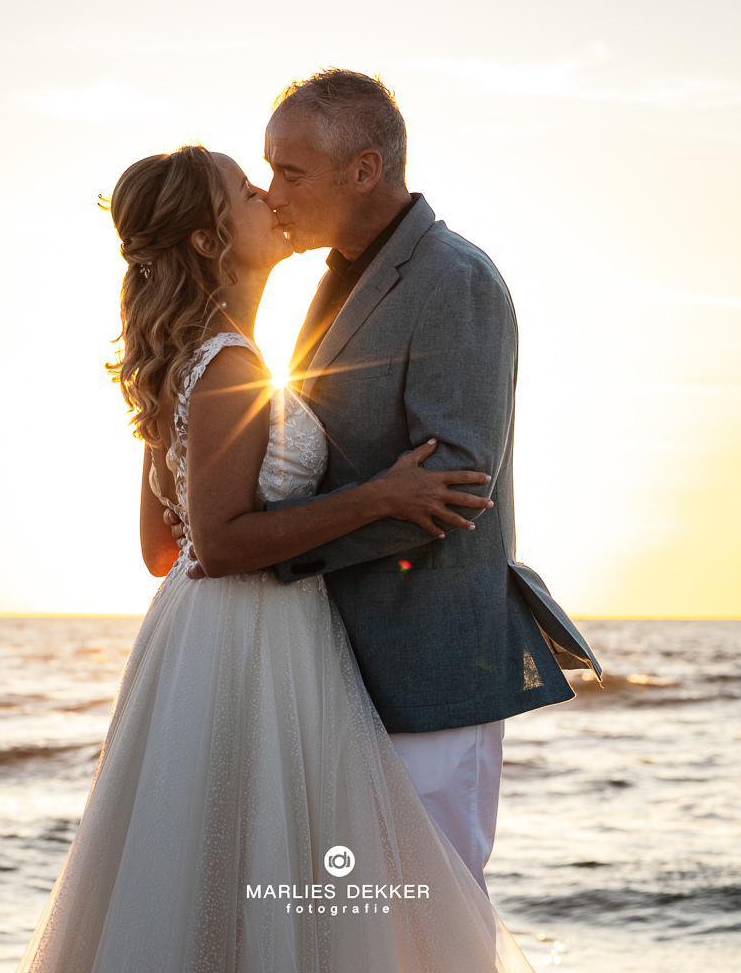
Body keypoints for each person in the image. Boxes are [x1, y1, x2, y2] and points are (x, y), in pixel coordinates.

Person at [15, 144, 537, 971]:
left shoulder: (196, 362)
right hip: (255, 630)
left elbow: (164, 549)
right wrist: (376, 498)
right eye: (246, 188)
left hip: (194, 640)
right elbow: (218, 544)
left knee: (223, 876)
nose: (268, 196)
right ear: (206, 238)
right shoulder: (229, 363)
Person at [173, 69, 602, 893]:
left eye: (291, 172)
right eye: (266, 170)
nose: (273, 191)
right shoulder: (333, 278)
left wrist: (271, 554)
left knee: (431, 909)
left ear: (364, 170)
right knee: (354, 918)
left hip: (428, 659)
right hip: (333, 667)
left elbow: (448, 487)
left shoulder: (455, 280)